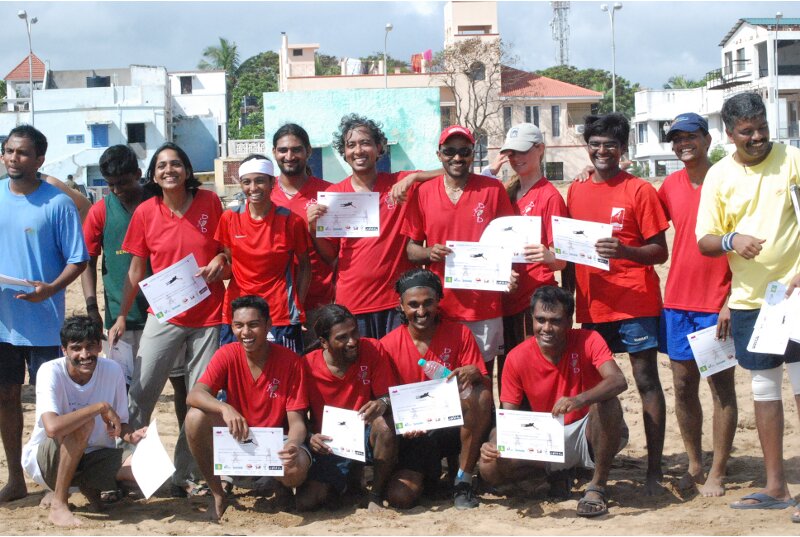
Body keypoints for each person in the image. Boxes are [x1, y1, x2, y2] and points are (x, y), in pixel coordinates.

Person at [696, 92, 800, 516]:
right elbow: (704, 241)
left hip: (795, 295)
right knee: (763, 388)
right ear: (729, 134)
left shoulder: (793, 160)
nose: (757, 137)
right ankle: (776, 487)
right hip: (750, 302)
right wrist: (731, 240)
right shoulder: (719, 176)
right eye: (747, 132)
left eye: (761, 128)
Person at [108, 142, 228, 497]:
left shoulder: (210, 202)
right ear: (154, 175)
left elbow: (227, 248)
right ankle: (125, 467)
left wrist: (221, 259)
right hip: (163, 314)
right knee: (141, 391)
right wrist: (118, 316)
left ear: (188, 170)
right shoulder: (145, 211)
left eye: (176, 164)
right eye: (161, 166)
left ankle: (187, 474)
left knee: (198, 396)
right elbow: (134, 269)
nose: (169, 170)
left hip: (208, 315)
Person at [565, 113, 669, 494]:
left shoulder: (639, 190)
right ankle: (599, 464)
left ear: (622, 149)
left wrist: (624, 249)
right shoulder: (576, 189)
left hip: (635, 302)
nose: (602, 151)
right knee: (598, 387)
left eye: (610, 145)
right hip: (593, 306)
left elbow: (660, 251)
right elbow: (568, 249)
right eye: (595, 144)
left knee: (646, 381)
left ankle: (654, 470)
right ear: (587, 147)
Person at [479, 286, 628, 517]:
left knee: (607, 402)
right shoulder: (516, 357)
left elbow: (618, 380)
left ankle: (597, 486)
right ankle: (552, 477)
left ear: (569, 321)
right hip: (544, 437)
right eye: (540, 320)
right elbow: (509, 417)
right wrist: (493, 444)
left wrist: (579, 399)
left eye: (555, 321)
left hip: (585, 430)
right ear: (531, 320)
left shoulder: (590, 339)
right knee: (488, 467)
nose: (546, 328)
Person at [0, 125, 88, 502]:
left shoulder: (58, 203)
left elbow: (78, 258)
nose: (12, 158)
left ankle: (57, 482)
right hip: (2, 325)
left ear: (39, 159)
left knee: (52, 406)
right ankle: (16, 477)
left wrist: (51, 289)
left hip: (45, 325)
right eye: (8, 151)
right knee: (6, 399)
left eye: (21, 153)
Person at [657, 113, 737, 497]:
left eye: (690, 136)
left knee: (721, 388)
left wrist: (731, 301)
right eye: (676, 138)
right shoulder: (669, 185)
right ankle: (694, 463)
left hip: (716, 302)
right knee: (684, 386)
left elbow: (749, 247)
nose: (683, 143)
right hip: (676, 302)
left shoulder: (730, 178)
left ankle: (719, 470)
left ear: (707, 138)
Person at [306, 114, 440, 339]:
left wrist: (415, 176)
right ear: (345, 153)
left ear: (379, 148)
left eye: (365, 143)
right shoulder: (334, 196)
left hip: (397, 302)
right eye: (351, 145)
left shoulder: (400, 184)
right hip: (354, 302)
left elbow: (452, 171)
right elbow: (331, 255)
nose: (358, 150)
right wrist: (313, 228)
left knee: (398, 369)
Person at [81, 144, 188, 423]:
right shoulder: (100, 212)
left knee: (181, 385)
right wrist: (92, 308)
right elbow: (87, 262)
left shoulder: (160, 201)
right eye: (111, 184)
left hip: (167, 313)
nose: (117, 190)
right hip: (122, 318)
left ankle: (187, 452)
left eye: (123, 183)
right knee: (125, 390)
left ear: (140, 174)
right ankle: (127, 456)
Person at [185, 295, 310, 521]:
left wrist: (292, 445)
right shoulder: (227, 353)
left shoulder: (291, 361)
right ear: (231, 326)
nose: (245, 332)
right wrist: (225, 408)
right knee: (194, 417)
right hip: (238, 436)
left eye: (253, 325)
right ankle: (217, 493)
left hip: (275, 440)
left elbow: (298, 422)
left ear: (268, 325)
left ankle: (281, 484)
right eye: (238, 325)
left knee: (295, 468)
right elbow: (195, 394)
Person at [403, 125, 515, 372]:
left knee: (482, 377)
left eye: (464, 151)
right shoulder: (423, 192)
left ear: (473, 153)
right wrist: (429, 252)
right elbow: (411, 251)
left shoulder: (492, 189)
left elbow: (509, 243)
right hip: (440, 306)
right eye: (449, 151)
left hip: (484, 306)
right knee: (444, 380)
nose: (457, 157)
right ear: (439, 154)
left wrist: (507, 272)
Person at [380, 269, 492, 510]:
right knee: (400, 497)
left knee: (481, 395)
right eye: (413, 305)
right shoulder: (387, 345)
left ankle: (463, 479)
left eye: (428, 303)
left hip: (453, 426)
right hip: (414, 433)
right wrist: (407, 425)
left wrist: (476, 374)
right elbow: (385, 398)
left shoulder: (460, 333)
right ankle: (430, 478)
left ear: (439, 301)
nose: (421, 312)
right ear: (400, 306)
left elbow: (485, 390)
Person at [21, 316, 147, 527]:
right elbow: (52, 428)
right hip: (50, 460)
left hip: (94, 455)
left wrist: (130, 435)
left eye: (90, 347)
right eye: (76, 348)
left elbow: (121, 423)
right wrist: (100, 407)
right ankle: (59, 504)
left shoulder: (113, 370)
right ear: (64, 350)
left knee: (147, 470)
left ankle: (88, 487)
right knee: (83, 424)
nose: (84, 355)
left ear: (100, 346)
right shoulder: (50, 371)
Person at [297, 304, 397, 511]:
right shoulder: (306, 366)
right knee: (307, 502)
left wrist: (382, 403)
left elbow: (389, 396)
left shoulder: (372, 349)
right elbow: (296, 413)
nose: (352, 342)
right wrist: (310, 436)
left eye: (354, 332)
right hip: (329, 443)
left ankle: (376, 494)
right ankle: (347, 482)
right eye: (342, 337)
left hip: (364, 433)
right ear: (323, 342)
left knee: (385, 427)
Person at [216, 153, 311, 353]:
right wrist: (218, 261)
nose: (253, 188)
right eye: (246, 182)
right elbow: (230, 259)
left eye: (259, 181)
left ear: (272, 182)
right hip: (238, 313)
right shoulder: (229, 218)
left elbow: (304, 266)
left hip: (280, 314)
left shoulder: (291, 221)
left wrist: (298, 305)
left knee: (285, 377)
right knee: (236, 377)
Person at [498, 123, 568, 363]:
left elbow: (561, 261)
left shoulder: (550, 196)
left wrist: (548, 256)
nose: (515, 158)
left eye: (522, 151)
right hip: (505, 298)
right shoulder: (505, 193)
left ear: (540, 149)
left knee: (533, 372)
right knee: (509, 371)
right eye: (511, 153)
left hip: (534, 301)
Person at [270, 124, 334, 348]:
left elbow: (337, 255)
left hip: (320, 302)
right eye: (283, 150)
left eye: (296, 149)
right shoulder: (263, 196)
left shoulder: (330, 193)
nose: (289, 156)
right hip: (277, 307)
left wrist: (313, 229)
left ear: (308, 151)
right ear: (274, 152)